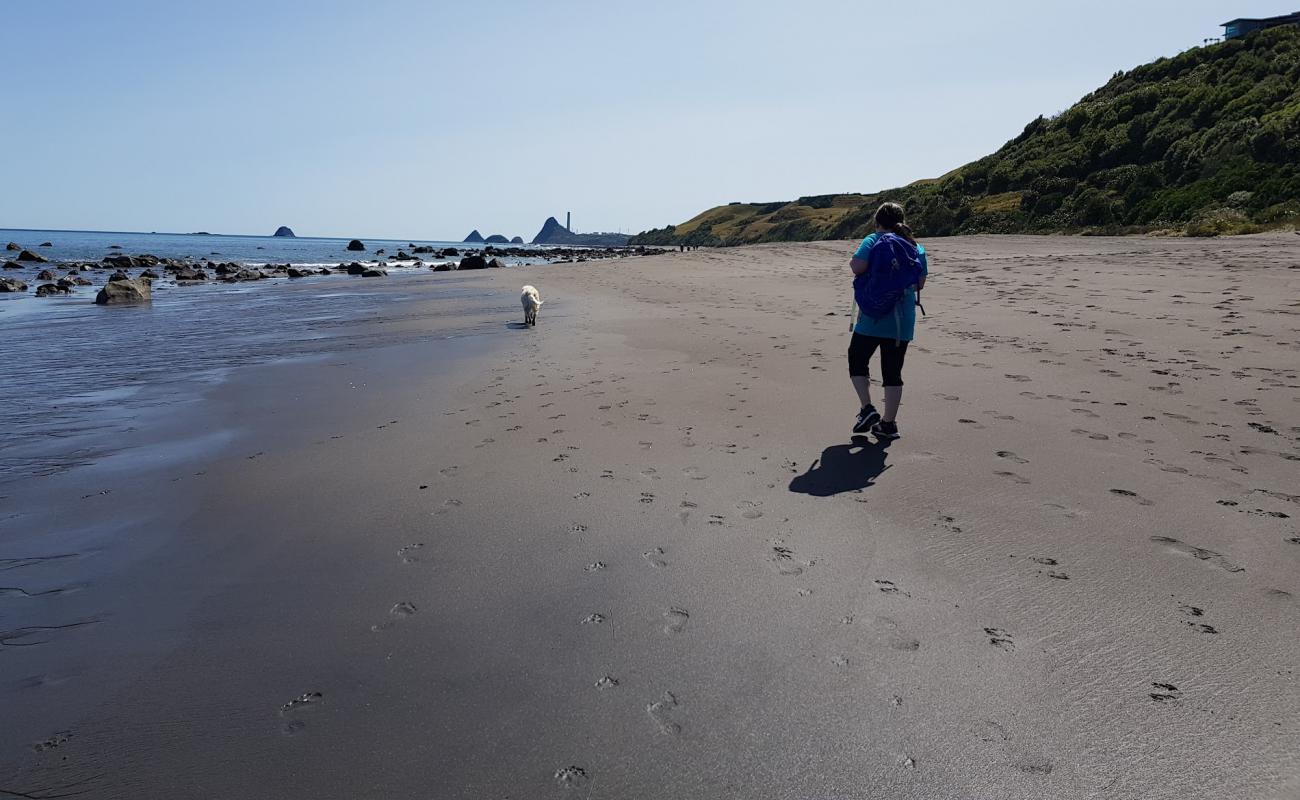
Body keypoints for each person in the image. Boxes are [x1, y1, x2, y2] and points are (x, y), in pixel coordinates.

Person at [847, 202, 927, 440]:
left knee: (857, 360)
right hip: (901, 320)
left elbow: (857, 267)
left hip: (872, 316)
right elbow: (919, 283)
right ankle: (888, 424)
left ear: (877, 221)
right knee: (893, 371)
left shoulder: (872, 240)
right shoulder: (915, 246)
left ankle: (867, 408)